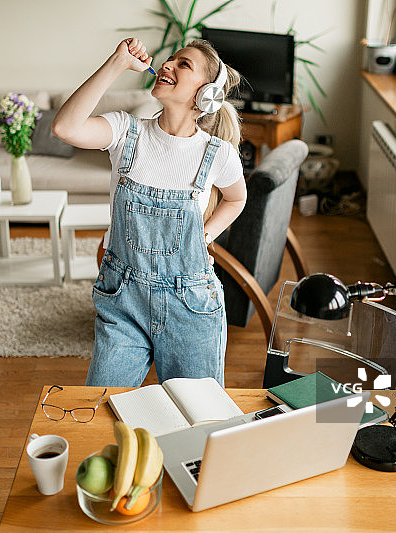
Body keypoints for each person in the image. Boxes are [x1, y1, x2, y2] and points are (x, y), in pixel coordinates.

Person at [52, 37, 246, 387]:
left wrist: (205, 235)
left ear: (207, 95)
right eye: (170, 59)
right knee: (103, 410)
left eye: (183, 64)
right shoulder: (126, 132)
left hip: (192, 307)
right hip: (123, 302)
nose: (168, 64)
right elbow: (65, 128)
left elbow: (236, 199)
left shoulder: (217, 154)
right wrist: (117, 62)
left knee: (196, 419)